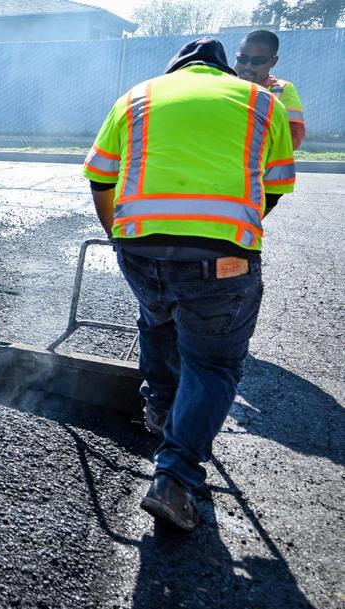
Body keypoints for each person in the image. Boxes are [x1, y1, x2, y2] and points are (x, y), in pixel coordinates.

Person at [82, 37, 295, 531]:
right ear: (224, 69)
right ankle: (175, 476)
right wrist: (229, 233)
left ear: (175, 68)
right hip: (221, 261)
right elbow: (277, 186)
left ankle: (159, 407)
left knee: (156, 318)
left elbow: (99, 178)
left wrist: (119, 237)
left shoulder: (137, 96)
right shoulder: (263, 101)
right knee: (214, 363)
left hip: (141, 248)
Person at [234, 29, 305, 149]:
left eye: (257, 61)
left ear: (273, 62)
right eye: (242, 59)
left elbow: (294, 137)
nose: (247, 66)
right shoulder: (224, 85)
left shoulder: (282, 90)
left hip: (259, 164)